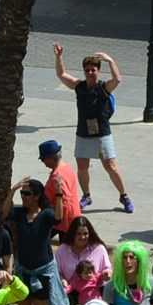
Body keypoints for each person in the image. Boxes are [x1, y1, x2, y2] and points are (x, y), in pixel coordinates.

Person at [55, 44, 132, 214]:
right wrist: (59, 56)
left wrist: (110, 60)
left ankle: (124, 196)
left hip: (102, 134)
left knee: (110, 166)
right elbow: (61, 74)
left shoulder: (104, 88)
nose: (90, 73)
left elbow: (118, 79)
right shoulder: (79, 86)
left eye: (93, 70)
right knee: (82, 166)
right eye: (87, 70)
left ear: (98, 71)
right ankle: (87, 196)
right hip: (83, 133)